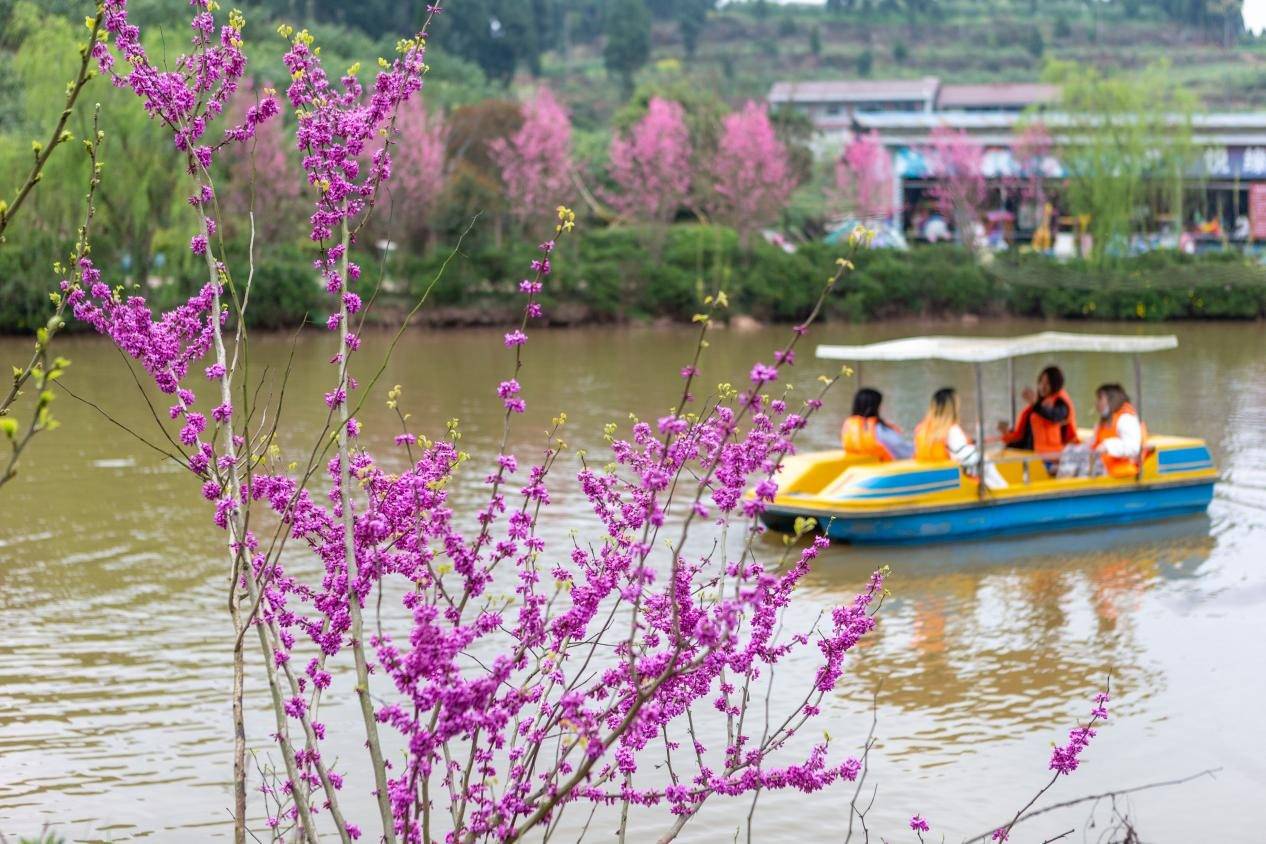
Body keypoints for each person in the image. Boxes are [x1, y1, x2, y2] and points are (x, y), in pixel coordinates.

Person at [914, 387, 1007, 489]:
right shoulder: (952, 430)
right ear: (953, 408)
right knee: (986, 463)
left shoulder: (922, 429)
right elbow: (969, 459)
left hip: (934, 477)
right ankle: (1006, 490)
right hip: (961, 482)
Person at [1057, 384, 1145, 478]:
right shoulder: (1104, 422)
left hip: (1119, 470)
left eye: (1100, 398)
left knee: (1085, 465)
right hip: (1103, 464)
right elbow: (1093, 444)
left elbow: (1133, 447)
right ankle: (1063, 485)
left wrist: (1107, 446)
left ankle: (1073, 487)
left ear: (1112, 400)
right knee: (1070, 451)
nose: (1096, 403)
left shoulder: (1126, 419)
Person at [997, 366, 1079, 466]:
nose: (1042, 387)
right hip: (1030, 456)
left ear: (1056, 385)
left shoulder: (1061, 405)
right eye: (1041, 382)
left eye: (1047, 384)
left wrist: (1035, 404)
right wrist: (1006, 433)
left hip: (1051, 457)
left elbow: (1053, 416)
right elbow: (1023, 436)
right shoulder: (1035, 409)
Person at [841, 388, 913, 461]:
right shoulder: (880, 429)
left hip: (863, 465)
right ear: (875, 407)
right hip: (887, 467)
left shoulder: (849, 425)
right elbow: (903, 450)